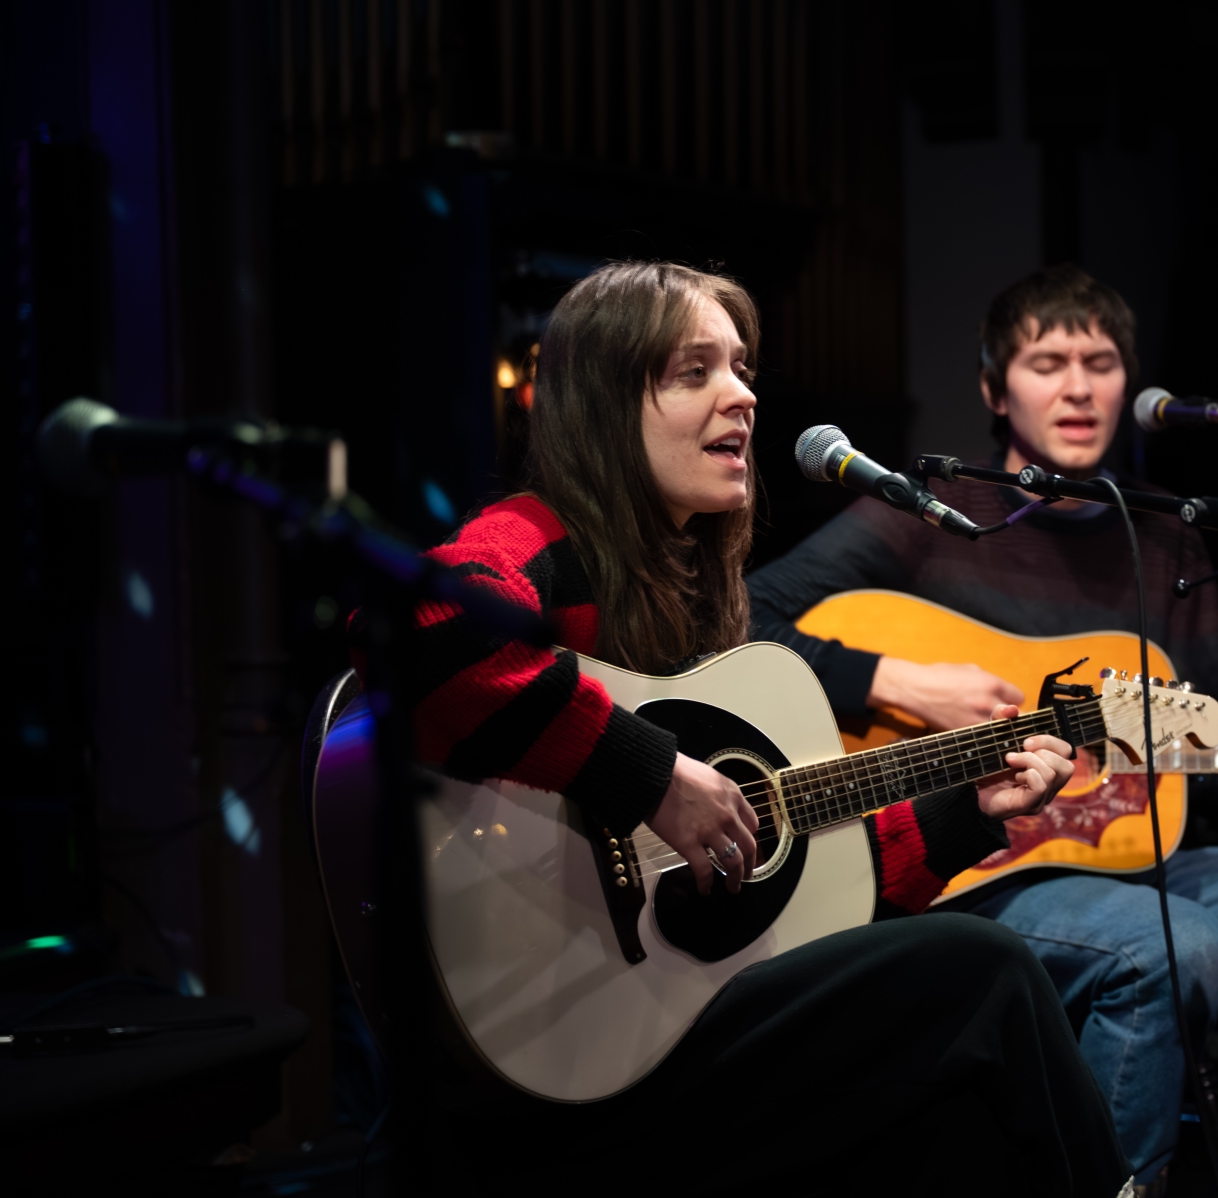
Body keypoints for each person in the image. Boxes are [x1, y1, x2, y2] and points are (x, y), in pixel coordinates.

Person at [400, 262, 1134, 1196]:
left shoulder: (708, 603)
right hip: (553, 1064)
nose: (741, 394)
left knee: (951, 1112)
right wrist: (651, 776)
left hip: (674, 1026)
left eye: (741, 368)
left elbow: (808, 895)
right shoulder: (539, 540)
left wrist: (967, 815)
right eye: (693, 370)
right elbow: (426, 629)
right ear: (604, 400)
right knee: (983, 968)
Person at [747, 265, 1218, 1196]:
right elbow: (740, 617)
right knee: (1174, 946)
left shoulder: (1169, 540)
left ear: (1130, 384)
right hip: (964, 861)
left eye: (1101, 361)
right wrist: (894, 677)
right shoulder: (925, 519)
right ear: (996, 391)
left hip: (1130, 859)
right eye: (1047, 362)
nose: (1079, 386)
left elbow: (1216, 747)